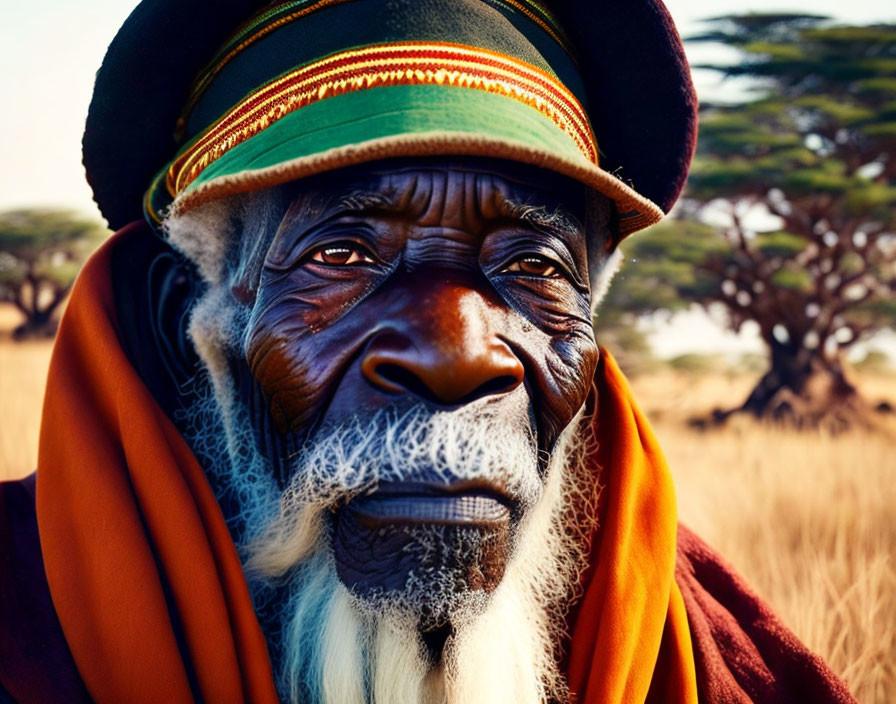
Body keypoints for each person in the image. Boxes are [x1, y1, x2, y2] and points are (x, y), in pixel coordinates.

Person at [0, 0, 857, 702]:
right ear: (188, 312)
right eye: (341, 254)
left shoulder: (706, 651)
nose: (460, 354)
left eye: (531, 265)